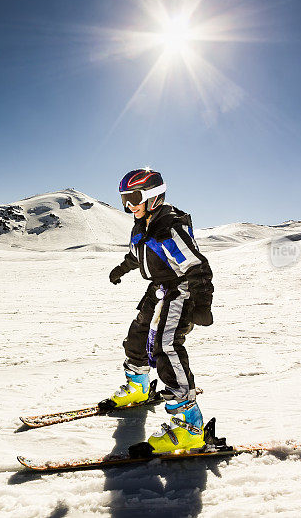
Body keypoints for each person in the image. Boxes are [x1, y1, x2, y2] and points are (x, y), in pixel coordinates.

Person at [107, 168, 214, 453]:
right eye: (124, 199)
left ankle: (190, 427)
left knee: (166, 347)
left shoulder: (168, 226)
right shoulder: (142, 224)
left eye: (134, 197)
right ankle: (138, 388)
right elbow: (137, 254)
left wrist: (203, 304)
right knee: (137, 337)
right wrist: (121, 269)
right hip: (157, 288)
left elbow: (196, 266)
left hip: (181, 290)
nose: (129, 205)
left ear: (153, 196)